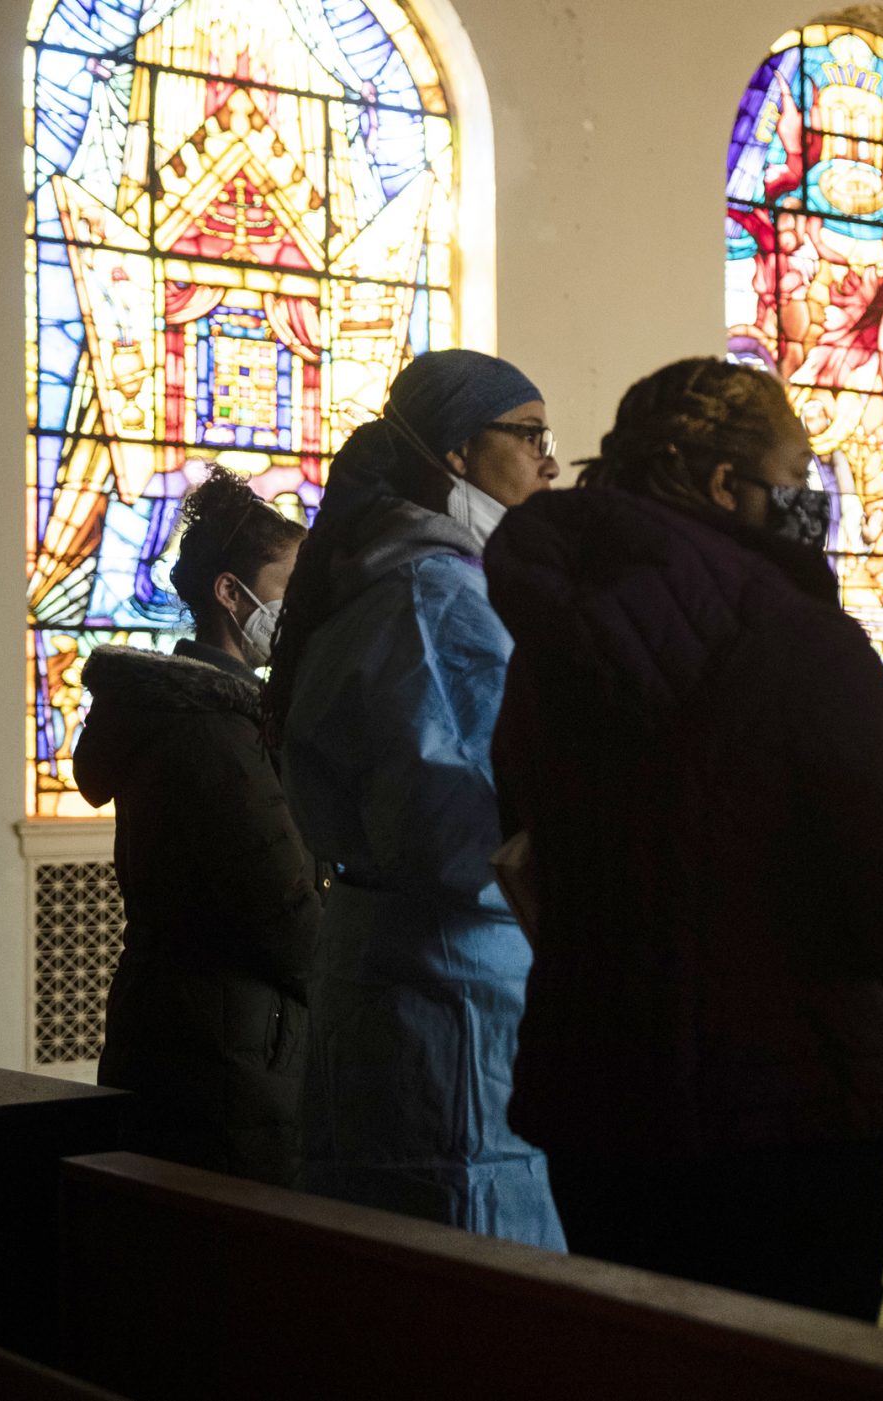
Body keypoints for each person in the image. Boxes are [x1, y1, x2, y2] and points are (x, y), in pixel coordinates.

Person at [483, 356, 883, 1322]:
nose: (809, 495)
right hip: (785, 1114)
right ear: (723, 485)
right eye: (796, 472)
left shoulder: (548, 652)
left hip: (603, 1106)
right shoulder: (797, 641)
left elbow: (534, 854)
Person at [263, 349, 564, 1247]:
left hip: (403, 963)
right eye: (529, 433)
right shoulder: (434, 594)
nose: (550, 458)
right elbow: (460, 832)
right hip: (453, 972)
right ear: (456, 453)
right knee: (472, 1246)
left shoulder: (402, 576)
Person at [77, 467, 319, 1186]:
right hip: (225, 1060)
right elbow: (288, 920)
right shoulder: (212, 734)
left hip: (203, 1039)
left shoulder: (214, 718)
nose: (301, 608)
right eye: (290, 587)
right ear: (229, 593)